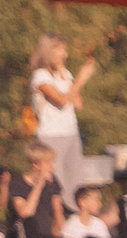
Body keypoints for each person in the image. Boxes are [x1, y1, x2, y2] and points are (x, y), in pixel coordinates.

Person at [28, 35, 94, 197]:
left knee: (75, 182)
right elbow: (62, 101)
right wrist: (81, 78)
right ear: (49, 51)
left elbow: (78, 104)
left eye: (64, 49)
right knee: (55, 183)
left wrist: (70, 79)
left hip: (71, 133)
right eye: (59, 49)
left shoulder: (65, 73)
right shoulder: (40, 76)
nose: (64, 54)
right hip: (51, 136)